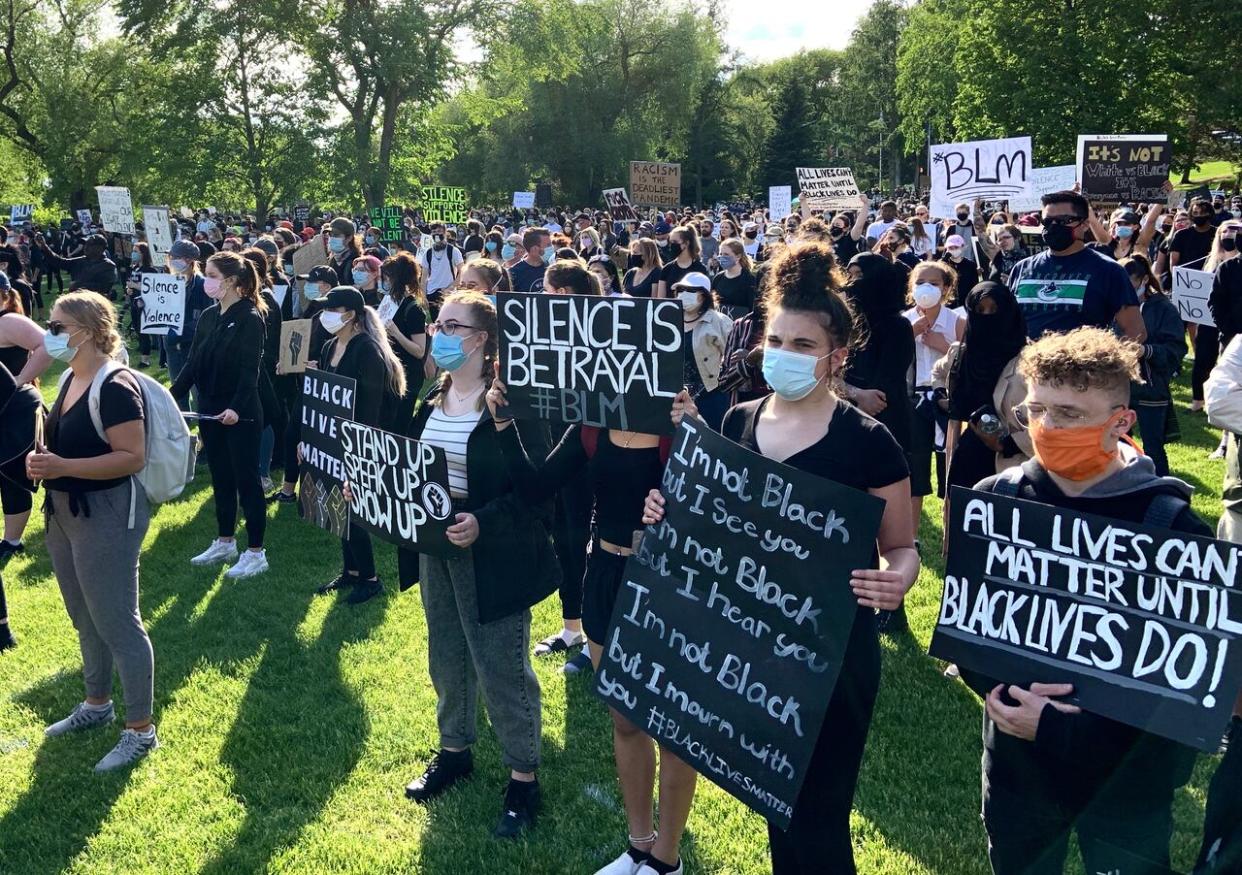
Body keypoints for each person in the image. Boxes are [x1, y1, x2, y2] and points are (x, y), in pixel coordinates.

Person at [643, 241, 919, 874]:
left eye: (802, 346)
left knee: (820, 823)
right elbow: (718, 527)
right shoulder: (737, 421)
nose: (783, 356)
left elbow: (902, 547)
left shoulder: (869, 442)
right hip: (751, 654)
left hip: (832, 658)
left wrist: (896, 580)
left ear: (836, 356)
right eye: (775, 342)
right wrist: (669, 510)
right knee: (778, 810)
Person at [962, 326, 1210, 875]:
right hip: (1017, 763)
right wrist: (1002, 695)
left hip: (1126, 777)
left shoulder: (1174, 529)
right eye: (1036, 409)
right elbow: (970, 630)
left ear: (1121, 421)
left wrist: (1058, 724)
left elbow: (1184, 683)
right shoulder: (994, 503)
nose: (1046, 427)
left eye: (1070, 414)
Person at [486, 379, 699, 875]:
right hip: (605, 575)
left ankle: (668, 859)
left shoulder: (678, 424)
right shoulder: (594, 423)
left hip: (665, 586)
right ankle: (638, 845)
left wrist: (697, 432)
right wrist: (504, 426)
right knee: (624, 719)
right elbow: (538, 485)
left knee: (671, 726)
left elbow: (721, 511)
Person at [400, 291, 556, 840]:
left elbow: (536, 490)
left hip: (490, 551)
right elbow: (408, 465)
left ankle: (523, 776)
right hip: (434, 546)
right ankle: (455, 749)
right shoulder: (430, 395)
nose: (439, 332)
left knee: (501, 667)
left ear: (482, 338)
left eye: (452, 325)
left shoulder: (509, 401)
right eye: (437, 322)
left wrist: (483, 521)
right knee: (445, 651)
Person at [25, 291, 159, 771]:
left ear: (88, 331)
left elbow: (131, 457)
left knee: (118, 622)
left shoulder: (116, 383)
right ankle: (97, 704)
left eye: (58, 326)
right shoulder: (68, 377)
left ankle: (140, 731)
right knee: (84, 615)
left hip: (105, 513)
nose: (49, 331)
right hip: (65, 513)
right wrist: (44, 462)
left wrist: (63, 464)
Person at [171, 252, 270, 579]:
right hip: (210, 409)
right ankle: (225, 540)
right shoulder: (210, 316)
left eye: (212, 275)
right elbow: (194, 363)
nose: (207, 280)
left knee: (247, 480)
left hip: (239, 413)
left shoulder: (250, 318)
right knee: (221, 477)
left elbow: (249, 371)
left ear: (230, 282)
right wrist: (170, 396)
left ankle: (256, 552)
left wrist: (236, 409)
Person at [316, 287, 406, 603]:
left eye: (332, 309)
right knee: (337, 506)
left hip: (360, 439)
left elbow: (370, 406)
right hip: (333, 437)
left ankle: (370, 578)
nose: (324, 315)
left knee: (353, 510)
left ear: (350, 314)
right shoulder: (329, 347)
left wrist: (357, 447)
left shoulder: (367, 350)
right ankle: (350, 571)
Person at [1006, 191, 1145, 342]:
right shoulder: (1022, 269)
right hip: (1026, 364)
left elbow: (1135, 332)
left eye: (1063, 220)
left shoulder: (1109, 270)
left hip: (1083, 364)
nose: (1053, 226)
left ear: (1085, 225)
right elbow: (1006, 324)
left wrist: (1102, 360)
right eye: (1047, 221)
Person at [944, 281, 1030, 497]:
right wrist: (939, 395)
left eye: (994, 309)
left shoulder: (1031, 360)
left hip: (1015, 462)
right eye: (980, 310)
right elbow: (939, 372)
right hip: (969, 457)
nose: (987, 316)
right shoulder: (966, 353)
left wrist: (1007, 444)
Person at [904, 262, 965, 541]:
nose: (926, 288)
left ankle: (951, 536)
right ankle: (912, 535)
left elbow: (970, 362)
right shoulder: (903, 321)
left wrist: (946, 347)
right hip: (913, 400)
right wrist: (909, 335)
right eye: (920, 282)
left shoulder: (957, 322)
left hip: (945, 400)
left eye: (934, 283)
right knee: (915, 466)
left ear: (946, 288)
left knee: (949, 467)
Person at [842, 253, 915, 469]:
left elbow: (887, 381)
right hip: (846, 415)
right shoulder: (844, 323)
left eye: (860, 275)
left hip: (887, 418)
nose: (853, 282)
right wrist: (855, 394)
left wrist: (865, 397)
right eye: (850, 275)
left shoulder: (897, 325)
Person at [1122, 255, 1185, 477]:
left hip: (1151, 388)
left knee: (1153, 447)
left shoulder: (1163, 308)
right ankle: (1122, 487)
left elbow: (1177, 348)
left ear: (1144, 279)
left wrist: (1146, 351)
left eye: (1129, 283)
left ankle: (1160, 491)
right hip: (1118, 389)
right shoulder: (1113, 306)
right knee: (1118, 443)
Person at [674, 272, 733, 430]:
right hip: (677, 398)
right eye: (680, 290)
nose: (683, 294)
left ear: (703, 295)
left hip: (710, 395)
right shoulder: (668, 319)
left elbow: (731, 359)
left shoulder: (719, 322)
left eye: (690, 290)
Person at [379, 252, 429, 433]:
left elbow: (419, 351)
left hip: (408, 375)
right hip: (390, 371)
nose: (384, 282)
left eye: (387, 278)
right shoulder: (390, 302)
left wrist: (396, 333)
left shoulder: (413, 308)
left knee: (400, 424)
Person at [163, 240, 211, 408]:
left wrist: (183, 328)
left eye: (175, 257)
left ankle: (203, 424)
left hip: (192, 346)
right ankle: (182, 425)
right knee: (177, 388)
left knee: (198, 391)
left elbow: (207, 318)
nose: (170, 260)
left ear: (189, 261)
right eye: (170, 256)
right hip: (171, 344)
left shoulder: (203, 285)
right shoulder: (165, 284)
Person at [35, 232, 117, 297]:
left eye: (89, 244)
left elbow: (104, 288)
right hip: (77, 305)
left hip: (95, 308)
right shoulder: (80, 261)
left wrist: (78, 285)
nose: (85, 247)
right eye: (85, 244)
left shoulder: (108, 266)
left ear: (99, 248)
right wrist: (44, 246)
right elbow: (59, 262)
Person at [655, 226, 708, 299]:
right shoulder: (667, 269)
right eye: (670, 242)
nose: (671, 245)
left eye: (675, 242)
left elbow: (704, 297)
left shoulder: (700, 268)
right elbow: (660, 299)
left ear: (686, 243)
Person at [710, 238, 757, 318]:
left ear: (738, 256)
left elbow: (752, 308)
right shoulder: (718, 278)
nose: (722, 257)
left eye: (726, 254)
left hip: (739, 327)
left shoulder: (749, 279)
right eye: (720, 254)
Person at [509, 228, 550, 294]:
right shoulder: (513, 273)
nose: (551, 248)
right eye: (548, 245)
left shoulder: (552, 271)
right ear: (534, 249)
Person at [940, 235, 978, 305]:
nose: (954, 250)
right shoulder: (943, 263)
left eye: (956, 247)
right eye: (950, 248)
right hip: (947, 303)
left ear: (963, 247)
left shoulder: (970, 265)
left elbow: (974, 286)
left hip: (965, 303)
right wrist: (944, 259)